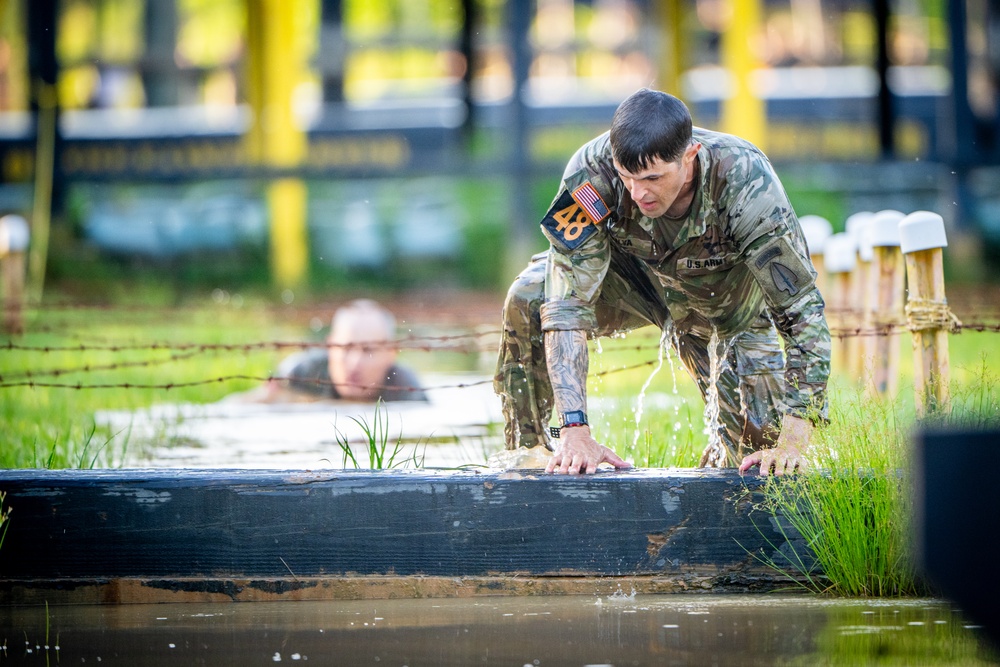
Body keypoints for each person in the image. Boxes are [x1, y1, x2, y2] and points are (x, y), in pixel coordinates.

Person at [494, 88, 830, 477]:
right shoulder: (592, 173)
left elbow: (800, 311)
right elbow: (566, 303)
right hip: (635, 284)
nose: (638, 193)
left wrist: (794, 436)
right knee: (531, 296)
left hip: (728, 309)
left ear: (689, 157)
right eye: (627, 177)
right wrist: (575, 428)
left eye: (653, 178)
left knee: (757, 467)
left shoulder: (745, 181)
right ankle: (531, 452)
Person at [247, 299, 427, 403]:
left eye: (368, 350)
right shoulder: (301, 374)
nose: (355, 363)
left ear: (391, 353)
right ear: (330, 346)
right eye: (346, 348)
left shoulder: (406, 388)